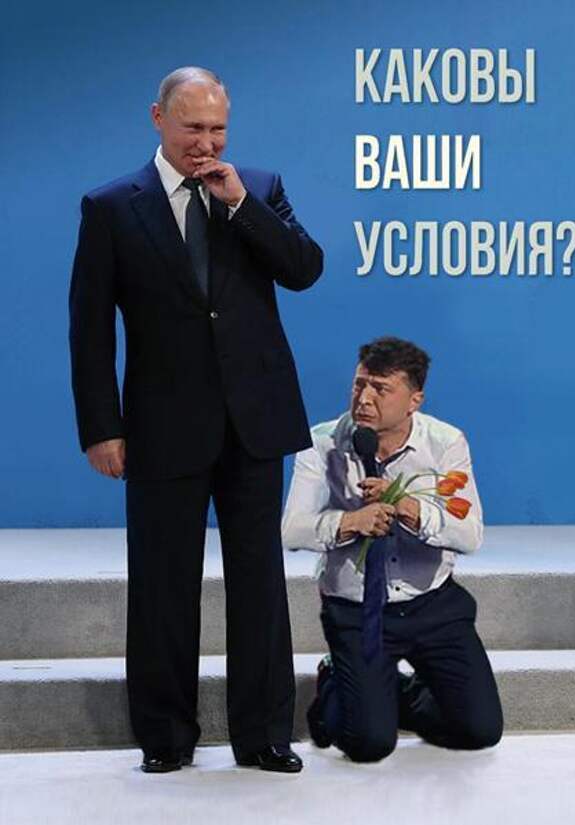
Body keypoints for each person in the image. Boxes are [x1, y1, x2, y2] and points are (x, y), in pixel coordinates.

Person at [69, 66, 323, 773]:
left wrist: (240, 205)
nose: (206, 144)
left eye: (217, 130)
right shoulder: (112, 206)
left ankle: (264, 733)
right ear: (158, 119)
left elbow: (304, 269)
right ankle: (165, 736)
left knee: (258, 581)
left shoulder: (258, 188)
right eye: (193, 128)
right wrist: (102, 426)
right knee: (161, 584)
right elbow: (89, 330)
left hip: (254, 423)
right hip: (160, 425)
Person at [282, 336, 503, 762]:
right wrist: (350, 523)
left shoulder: (445, 443)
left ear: (414, 400)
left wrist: (410, 510)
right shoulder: (323, 442)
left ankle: (390, 693)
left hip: (432, 604)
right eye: (359, 384)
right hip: (358, 611)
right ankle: (335, 685)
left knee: (479, 730)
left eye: (381, 389)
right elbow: (291, 531)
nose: (364, 399)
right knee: (369, 744)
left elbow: (470, 534)